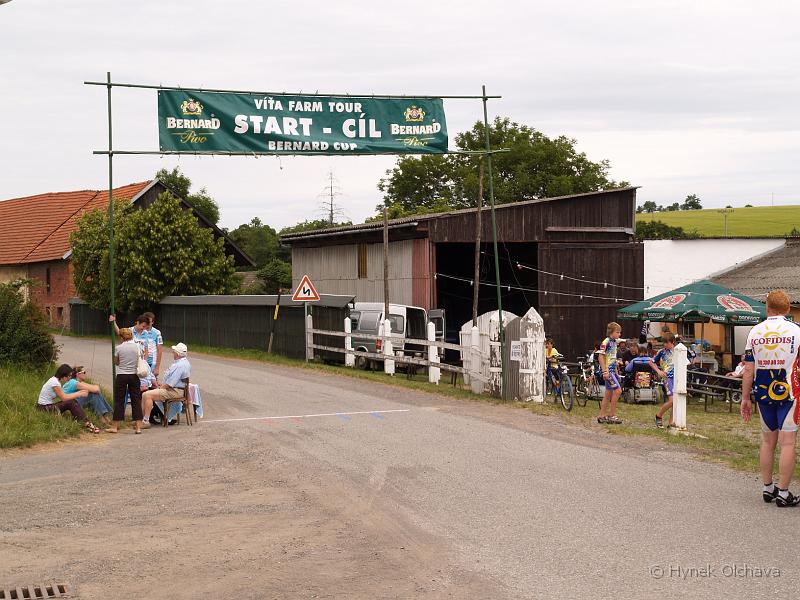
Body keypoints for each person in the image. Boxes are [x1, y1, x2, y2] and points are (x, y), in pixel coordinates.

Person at [741, 290, 800, 507]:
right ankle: (784, 493)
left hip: (762, 392)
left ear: (767, 308)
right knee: (787, 443)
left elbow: (748, 369)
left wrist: (745, 397)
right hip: (789, 392)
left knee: (767, 441)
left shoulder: (755, 332)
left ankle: (768, 488)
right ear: (786, 308)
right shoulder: (796, 330)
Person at [37, 364, 100, 433]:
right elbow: (64, 398)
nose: (70, 378)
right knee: (71, 402)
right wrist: (79, 394)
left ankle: (85, 422)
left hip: (45, 406)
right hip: (44, 408)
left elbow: (64, 395)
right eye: (69, 376)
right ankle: (87, 424)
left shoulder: (54, 380)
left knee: (71, 402)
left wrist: (78, 393)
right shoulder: (55, 383)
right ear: (63, 375)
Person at [141, 342, 191, 428]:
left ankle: (145, 420)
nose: (173, 353)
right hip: (176, 390)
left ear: (178, 354)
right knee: (146, 394)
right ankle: (143, 419)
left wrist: (159, 388)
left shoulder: (179, 365)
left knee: (147, 394)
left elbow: (170, 383)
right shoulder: (185, 363)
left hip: (174, 391)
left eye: (174, 351)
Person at [106, 327, 144, 434]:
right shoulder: (137, 347)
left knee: (119, 400)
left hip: (122, 375)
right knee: (136, 400)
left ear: (121, 337)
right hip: (134, 375)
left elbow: (116, 362)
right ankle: (138, 427)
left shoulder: (119, 348)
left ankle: (115, 426)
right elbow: (141, 359)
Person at [597, 322, 623, 424]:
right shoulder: (606, 342)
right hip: (608, 371)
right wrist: (604, 371)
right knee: (618, 391)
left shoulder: (614, 342)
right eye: (617, 332)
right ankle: (612, 415)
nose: (619, 334)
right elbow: (601, 356)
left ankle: (601, 415)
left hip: (612, 370)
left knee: (608, 394)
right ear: (611, 332)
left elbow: (612, 358)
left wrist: (617, 372)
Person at [650, 332, 676, 429]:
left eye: (666, 343)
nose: (664, 345)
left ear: (672, 342)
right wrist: (658, 371)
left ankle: (671, 422)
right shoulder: (662, 351)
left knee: (676, 401)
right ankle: (659, 415)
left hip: (677, 378)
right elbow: (651, 362)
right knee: (672, 400)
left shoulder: (678, 351)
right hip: (667, 377)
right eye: (663, 343)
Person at [142, 311, 164, 376]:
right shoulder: (139, 330)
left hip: (152, 363)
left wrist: (157, 367)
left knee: (152, 383)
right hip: (141, 361)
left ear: (152, 322)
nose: (148, 323)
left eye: (149, 321)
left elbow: (159, 350)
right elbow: (122, 333)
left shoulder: (157, 332)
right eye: (146, 321)